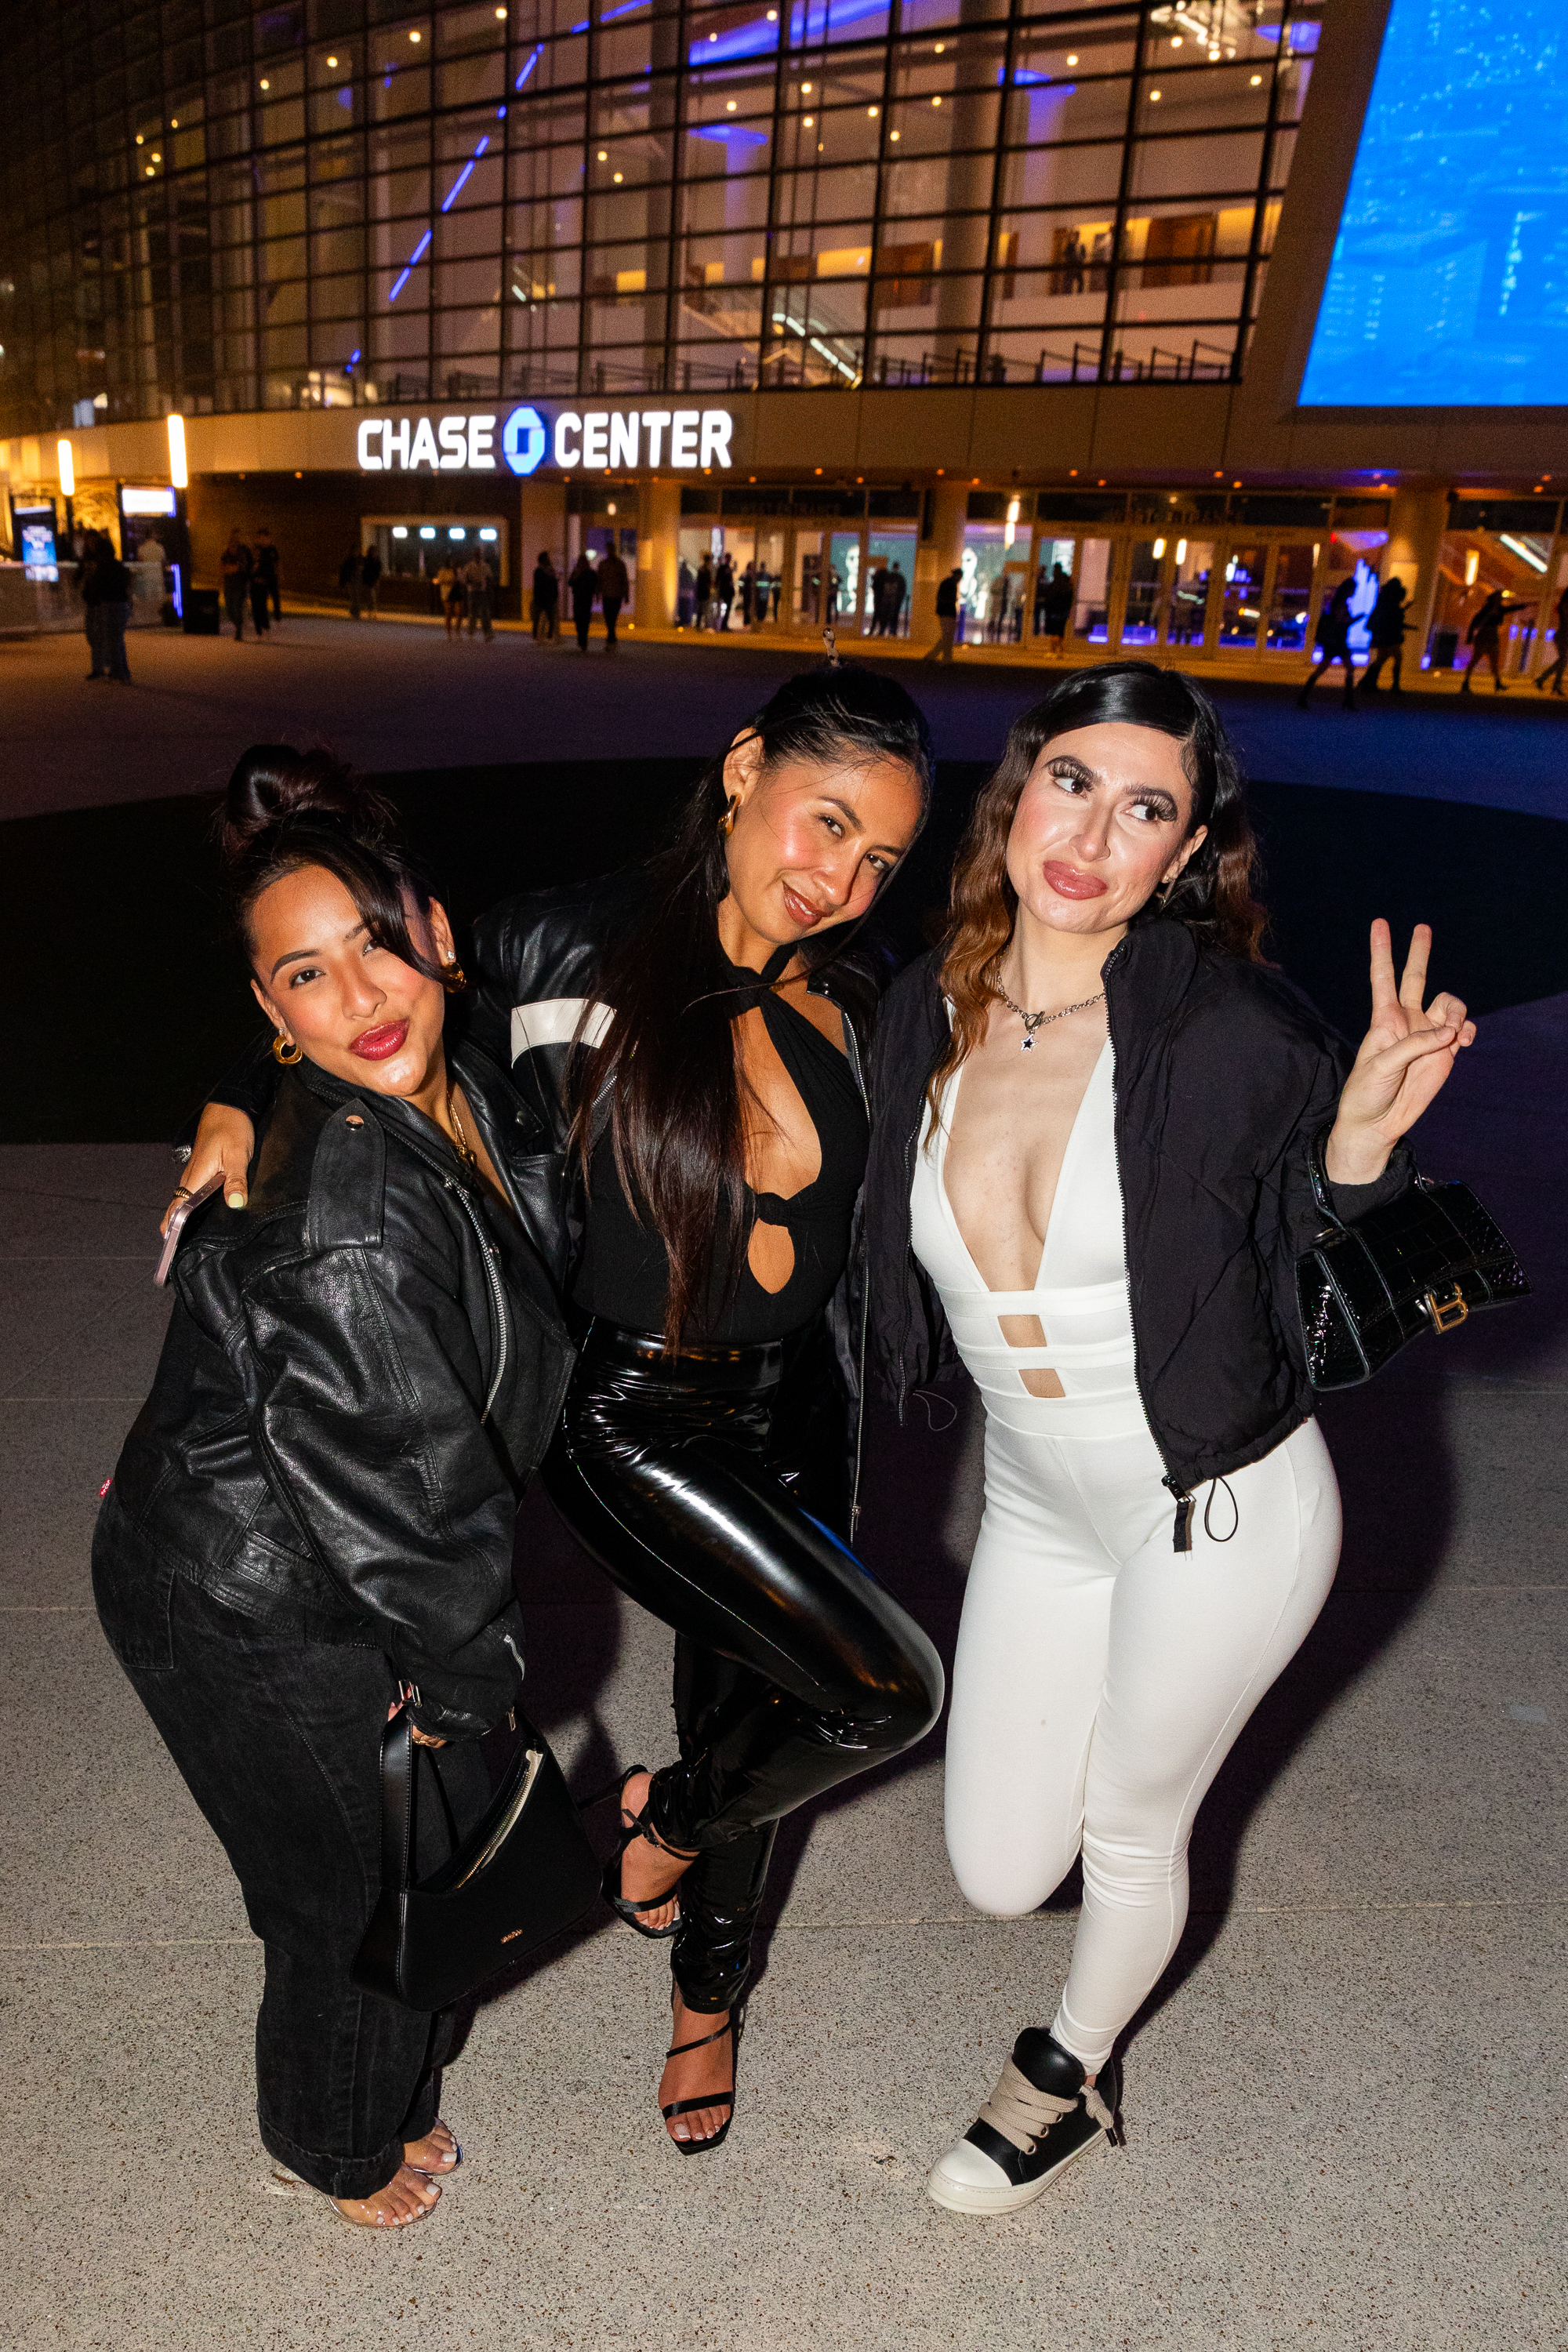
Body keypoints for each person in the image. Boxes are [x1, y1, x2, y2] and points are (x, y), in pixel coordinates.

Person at [176, 667, 946, 2158]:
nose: (837, 878)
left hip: (806, 1405)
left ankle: (708, 1993)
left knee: (767, 1710)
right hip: (637, 1414)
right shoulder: (558, 943)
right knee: (882, 1690)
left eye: (878, 858)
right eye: (825, 821)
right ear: (743, 771)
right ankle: (655, 1824)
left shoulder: (864, 982)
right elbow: (378, 1013)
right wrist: (238, 1085)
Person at [862, 661, 1475, 2218]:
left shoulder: (1222, 1025)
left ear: (1184, 853)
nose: (1093, 833)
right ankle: (1080, 1959)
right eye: (1072, 781)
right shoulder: (920, 1003)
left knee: (1133, 1820)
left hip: (1215, 1504)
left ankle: (1061, 2075)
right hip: (1034, 1503)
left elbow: (1318, 1247)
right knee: (1001, 1868)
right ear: (1018, 792)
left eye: (1147, 810)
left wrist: (1355, 1144)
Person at [105, 748, 574, 2230]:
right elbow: (418, 1511)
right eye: (307, 978)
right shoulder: (351, 1226)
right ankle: (334, 2146)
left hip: (295, 1542)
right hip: (250, 1602)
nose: (362, 996)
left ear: (437, 932)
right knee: (341, 1900)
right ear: (270, 1012)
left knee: (388, 1868)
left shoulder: (454, 1091)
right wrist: (462, 1690)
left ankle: (376, 2075)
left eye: (376, 946)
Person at [1296, 575, 1357, 709]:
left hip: (1334, 641)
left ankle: (1303, 697)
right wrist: (1357, 619)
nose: (1355, 592)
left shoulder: (1337, 602)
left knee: (1325, 668)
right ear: (1349, 590)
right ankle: (1348, 701)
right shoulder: (1341, 603)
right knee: (1347, 668)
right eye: (1354, 589)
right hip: (1337, 641)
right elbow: (1341, 621)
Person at [81, 530, 133, 683]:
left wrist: (93, 594)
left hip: (108, 604)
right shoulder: (118, 566)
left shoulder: (101, 568)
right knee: (117, 638)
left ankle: (120, 671)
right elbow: (126, 581)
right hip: (120, 604)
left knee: (112, 638)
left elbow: (96, 586)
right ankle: (120, 669)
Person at [1460, 586, 1530, 694]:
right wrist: (1470, 637)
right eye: (1498, 598)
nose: (1500, 600)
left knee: (1494, 662)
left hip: (1492, 637)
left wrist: (1525, 605)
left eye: (1500, 599)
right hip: (1484, 637)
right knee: (1475, 660)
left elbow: (1511, 608)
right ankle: (1466, 683)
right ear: (1493, 599)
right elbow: (1474, 624)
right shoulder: (1486, 610)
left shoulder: (1499, 609)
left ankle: (1497, 683)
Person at [1360, 576, 1410, 695]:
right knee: (1397, 657)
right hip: (1391, 635)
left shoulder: (1383, 600)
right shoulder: (1393, 605)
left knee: (1381, 658)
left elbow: (1385, 617)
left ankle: (1368, 682)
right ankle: (1394, 685)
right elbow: (1394, 619)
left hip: (1381, 634)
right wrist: (1404, 610)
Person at [1535, 578, 1568, 696]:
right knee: (1563, 660)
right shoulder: (1564, 610)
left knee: (1563, 661)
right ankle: (1548, 682)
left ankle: (1553, 685)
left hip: (1563, 636)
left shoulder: (1563, 609)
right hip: (1562, 637)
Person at [597, 540, 629, 648]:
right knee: (608, 617)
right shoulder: (603, 564)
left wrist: (626, 595)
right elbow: (599, 580)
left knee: (613, 617)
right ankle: (612, 637)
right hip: (607, 594)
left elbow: (624, 580)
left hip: (616, 595)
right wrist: (598, 593)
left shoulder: (619, 564)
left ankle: (611, 637)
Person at [926, 566, 962, 662]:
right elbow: (948, 600)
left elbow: (940, 598)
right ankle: (938, 657)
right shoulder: (951, 584)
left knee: (947, 637)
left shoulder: (946, 583)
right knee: (947, 637)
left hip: (944, 613)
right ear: (957, 576)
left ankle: (944, 658)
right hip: (948, 614)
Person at [1035, 561, 1073, 650]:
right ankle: (1059, 648)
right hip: (1062, 610)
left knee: (1054, 630)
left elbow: (1051, 597)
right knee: (1060, 630)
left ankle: (1054, 648)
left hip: (1054, 610)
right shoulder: (1066, 584)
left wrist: (1048, 607)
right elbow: (1069, 597)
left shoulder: (1055, 584)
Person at [224, 532, 255, 639]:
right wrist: (231, 568)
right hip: (229, 584)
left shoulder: (243, 553)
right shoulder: (226, 553)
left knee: (237, 606)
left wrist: (232, 568)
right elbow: (223, 568)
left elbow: (241, 567)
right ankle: (237, 623)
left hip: (240, 584)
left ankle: (239, 630)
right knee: (229, 607)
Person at [568, 550, 598, 651]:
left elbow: (594, 584)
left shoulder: (590, 573)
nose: (581, 564)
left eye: (582, 562)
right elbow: (570, 583)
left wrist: (596, 594)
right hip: (577, 598)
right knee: (577, 619)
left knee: (585, 620)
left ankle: (583, 641)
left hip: (586, 599)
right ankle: (581, 638)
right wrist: (576, 576)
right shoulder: (576, 572)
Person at [252, 528, 282, 626]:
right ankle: (265, 622)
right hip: (261, 578)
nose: (263, 540)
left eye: (265, 538)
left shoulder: (272, 549)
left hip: (272, 577)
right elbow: (252, 563)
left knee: (275, 597)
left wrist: (280, 574)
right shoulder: (257, 549)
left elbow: (277, 563)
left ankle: (277, 616)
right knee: (263, 600)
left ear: (269, 538)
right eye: (261, 538)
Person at [462, 550, 494, 641]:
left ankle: (487, 633)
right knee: (472, 613)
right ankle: (471, 632)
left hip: (482, 591)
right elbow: (464, 579)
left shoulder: (485, 566)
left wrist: (486, 585)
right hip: (472, 591)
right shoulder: (469, 566)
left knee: (485, 613)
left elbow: (490, 577)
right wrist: (472, 583)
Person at [532, 549, 559, 641]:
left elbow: (554, 584)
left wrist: (555, 595)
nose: (548, 560)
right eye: (546, 558)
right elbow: (540, 584)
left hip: (549, 597)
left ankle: (549, 636)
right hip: (541, 597)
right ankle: (536, 635)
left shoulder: (550, 570)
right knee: (538, 618)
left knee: (551, 618)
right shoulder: (539, 571)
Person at [435, 560, 463, 640]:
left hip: (456, 592)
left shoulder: (457, 571)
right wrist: (450, 581)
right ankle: (449, 633)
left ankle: (457, 632)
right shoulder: (443, 571)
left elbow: (462, 580)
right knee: (449, 613)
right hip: (447, 593)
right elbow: (440, 580)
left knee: (459, 612)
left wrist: (456, 574)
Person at [884, 561, 908, 638]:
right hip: (896, 601)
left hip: (888, 600)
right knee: (895, 616)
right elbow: (903, 590)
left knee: (887, 615)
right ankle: (893, 630)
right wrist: (900, 599)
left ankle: (885, 629)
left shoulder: (888, 577)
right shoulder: (900, 578)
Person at [338, 546, 362, 622]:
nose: (355, 553)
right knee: (353, 597)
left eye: (356, 551)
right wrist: (343, 581)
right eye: (354, 551)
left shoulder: (360, 560)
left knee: (357, 597)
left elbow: (362, 569)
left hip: (357, 581)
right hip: (351, 580)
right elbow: (344, 571)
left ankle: (356, 612)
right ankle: (354, 612)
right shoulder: (349, 560)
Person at [361, 543, 383, 619]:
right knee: (370, 597)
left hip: (374, 581)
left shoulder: (377, 560)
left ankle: (373, 612)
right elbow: (364, 571)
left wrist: (377, 580)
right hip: (368, 581)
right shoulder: (367, 560)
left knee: (374, 598)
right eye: (372, 551)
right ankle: (371, 612)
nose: (374, 552)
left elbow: (379, 571)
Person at [715, 553, 735, 630]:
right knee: (724, 608)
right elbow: (719, 580)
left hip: (727, 591)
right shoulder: (723, 568)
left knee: (728, 608)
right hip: (725, 591)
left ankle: (724, 624)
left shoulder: (727, 568)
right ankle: (722, 625)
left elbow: (730, 581)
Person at [695, 555, 713, 630]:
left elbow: (699, 580)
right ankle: (704, 625)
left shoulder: (701, 569)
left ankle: (698, 625)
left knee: (700, 609)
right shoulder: (706, 570)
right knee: (704, 609)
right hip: (704, 592)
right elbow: (707, 581)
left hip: (701, 592)